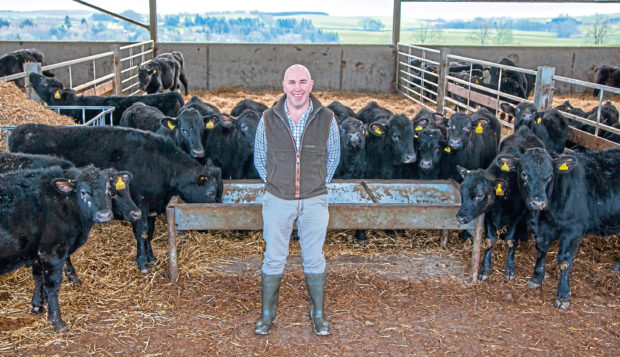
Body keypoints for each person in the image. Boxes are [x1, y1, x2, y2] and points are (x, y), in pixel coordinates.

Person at [253, 64, 340, 336]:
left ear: (311, 85)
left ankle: (318, 314)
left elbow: (333, 158)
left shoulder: (327, 118)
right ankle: (268, 315)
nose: (298, 88)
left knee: (314, 258)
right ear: (283, 86)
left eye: (303, 82)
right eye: (292, 82)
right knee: (273, 257)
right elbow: (260, 159)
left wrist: (316, 185)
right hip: (278, 198)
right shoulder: (268, 118)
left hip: (315, 200)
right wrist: (279, 183)